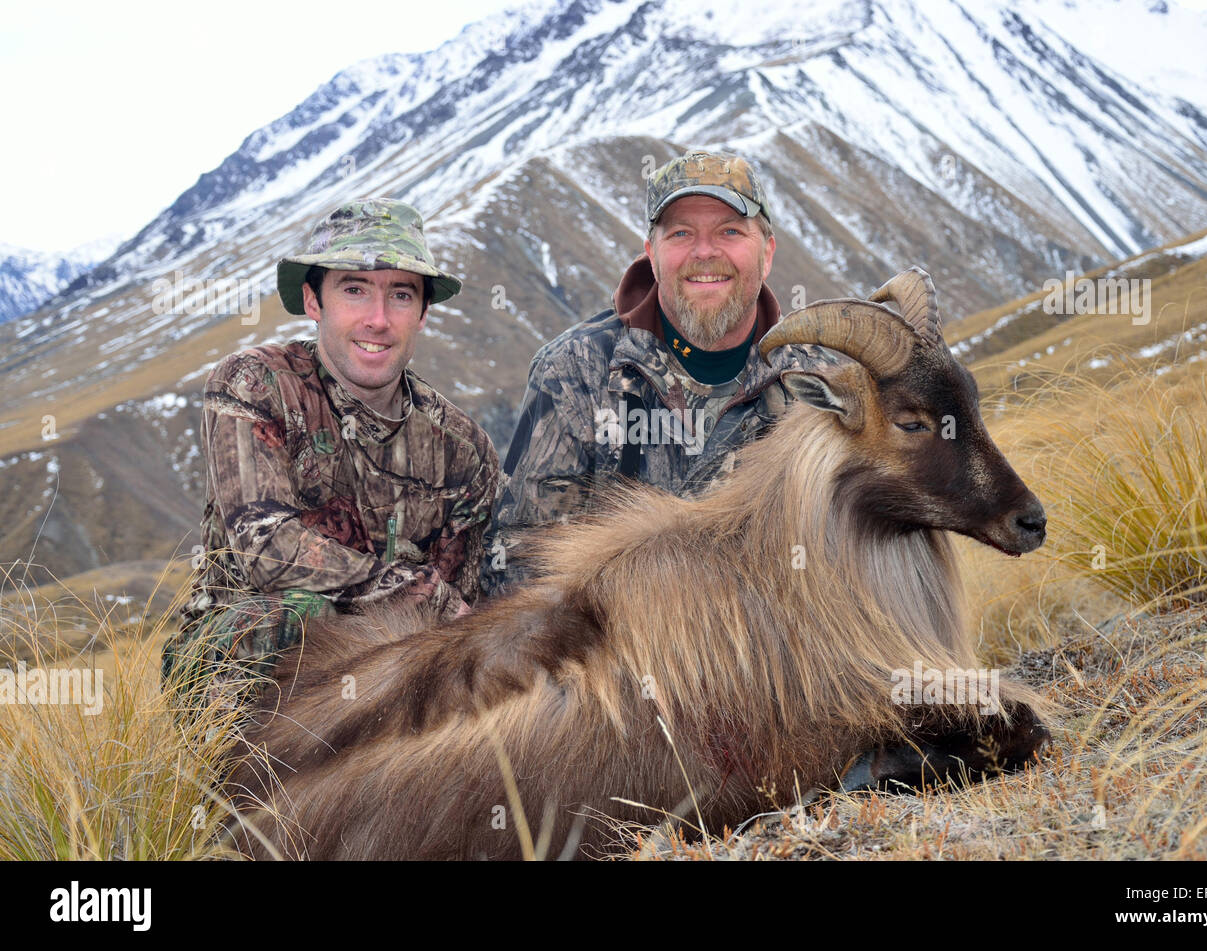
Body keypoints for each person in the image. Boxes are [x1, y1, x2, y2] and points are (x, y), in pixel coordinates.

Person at [161, 198, 499, 721]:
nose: (378, 319)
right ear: (313, 301)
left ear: (423, 314)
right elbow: (267, 547)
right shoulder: (255, 384)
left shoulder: (464, 448)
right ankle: (233, 788)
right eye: (354, 290)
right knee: (302, 614)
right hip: (247, 660)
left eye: (401, 295)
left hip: (392, 673)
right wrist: (414, 593)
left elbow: (460, 612)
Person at [482, 149, 836, 594]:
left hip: (776, 652)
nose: (705, 252)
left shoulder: (820, 385)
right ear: (652, 255)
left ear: (767, 253)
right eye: (682, 233)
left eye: (729, 231)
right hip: (614, 653)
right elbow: (517, 565)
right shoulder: (574, 372)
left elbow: (848, 561)